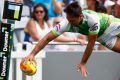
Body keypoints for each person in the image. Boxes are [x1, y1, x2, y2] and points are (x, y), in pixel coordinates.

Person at [23, 1, 120, 77]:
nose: (70, 23)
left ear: (81, 16)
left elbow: (90, 44)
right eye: (68, 19)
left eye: (73, 20)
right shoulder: (66, 23)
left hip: (112, 25)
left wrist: (83, 63)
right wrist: (32, 54)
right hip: (102, 36)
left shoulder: (92, 20)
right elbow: (47, 38)